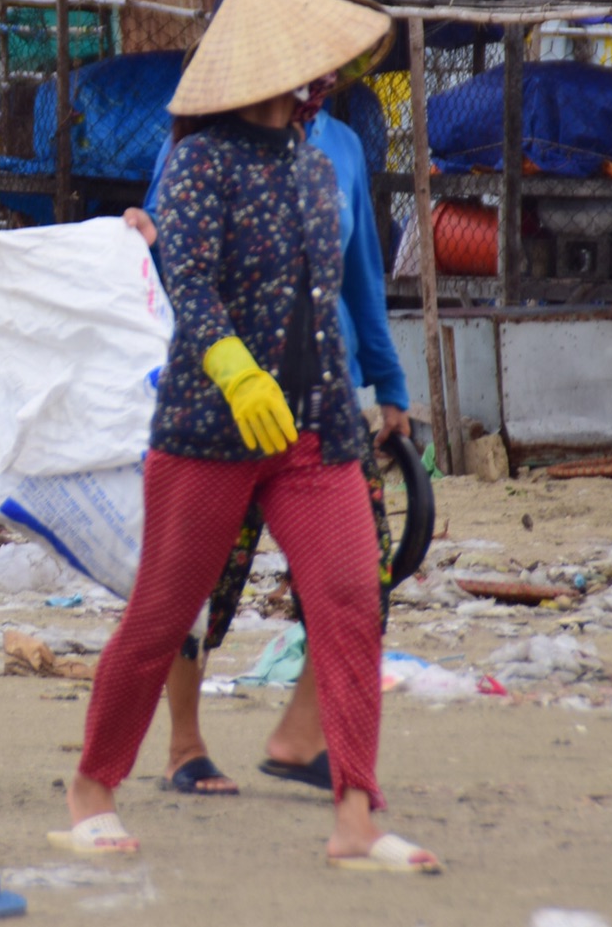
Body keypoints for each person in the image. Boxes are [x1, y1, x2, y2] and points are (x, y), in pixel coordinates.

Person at [58, 0, 441, 873]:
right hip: (210, 427)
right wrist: (231, 369)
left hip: (315, 433)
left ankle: (357, 811)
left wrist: (376, 392)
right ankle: (92, 788)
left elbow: (346, 289)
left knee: (351, 603)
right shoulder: (199, 160)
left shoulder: (321, 159)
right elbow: (183, 279)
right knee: (161, 615)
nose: (320, 76)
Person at [127, 98, 410, 798]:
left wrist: (391, 381)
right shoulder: (197, 150)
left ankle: (300, 735)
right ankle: (183, 745)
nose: (323, 78)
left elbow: (360, 272)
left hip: (322, 404)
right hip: (222, 405)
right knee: (196, 581)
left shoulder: (337, 149)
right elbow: (174, 263)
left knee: (360, 576)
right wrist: (134, 234)